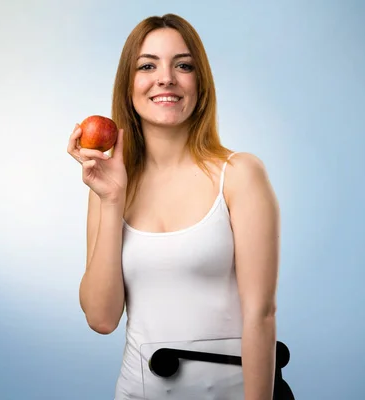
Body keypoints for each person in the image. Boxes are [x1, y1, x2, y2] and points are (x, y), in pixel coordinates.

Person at [67, 13, 281, 400]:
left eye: (183, 65)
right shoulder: (108, 186)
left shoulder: (239, 175)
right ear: (128, 85)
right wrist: (111, 200)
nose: (165, 78)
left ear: (200, 83)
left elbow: (260, 315)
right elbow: (101, 318)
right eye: (147, 65)